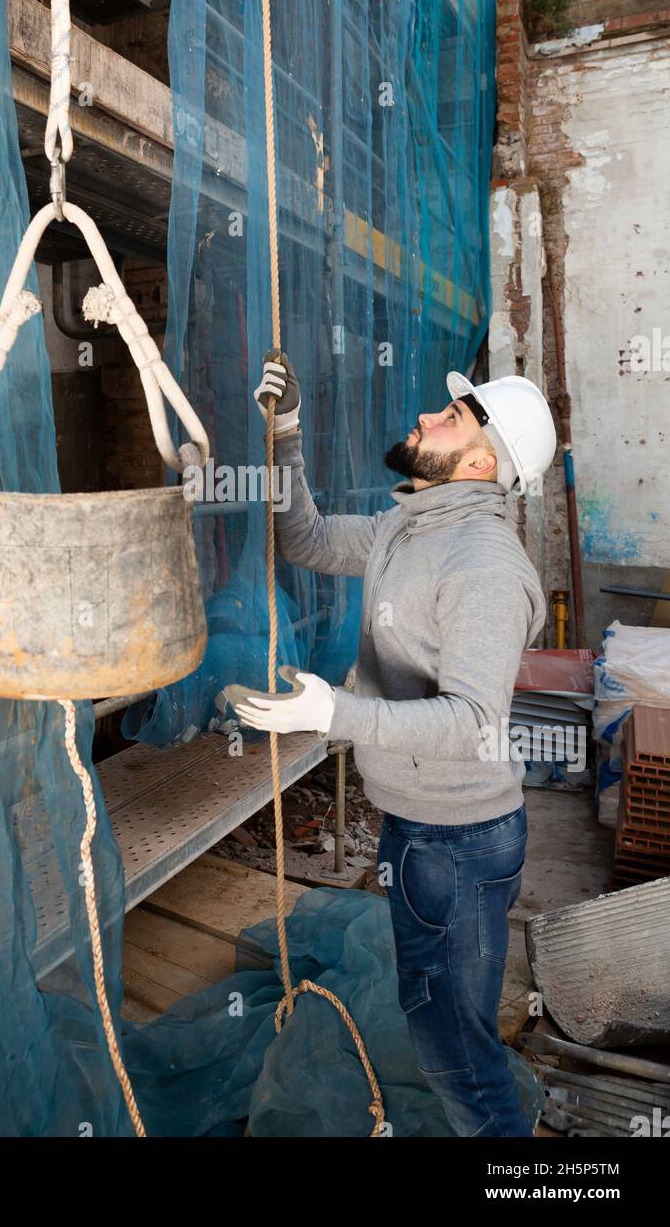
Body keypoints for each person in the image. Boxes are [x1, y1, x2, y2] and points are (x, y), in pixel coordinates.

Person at [233, 351, 558, 1137]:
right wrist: (285, 433)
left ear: (480, 463)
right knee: (437, 1021)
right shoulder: (402, 527)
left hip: (459, 845)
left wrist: (334, 713)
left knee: (460, 1057)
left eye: (450, 418)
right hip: (418, 829)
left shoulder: (483, 565)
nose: (425, 417)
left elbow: (471, 722)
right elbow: (302, 537)